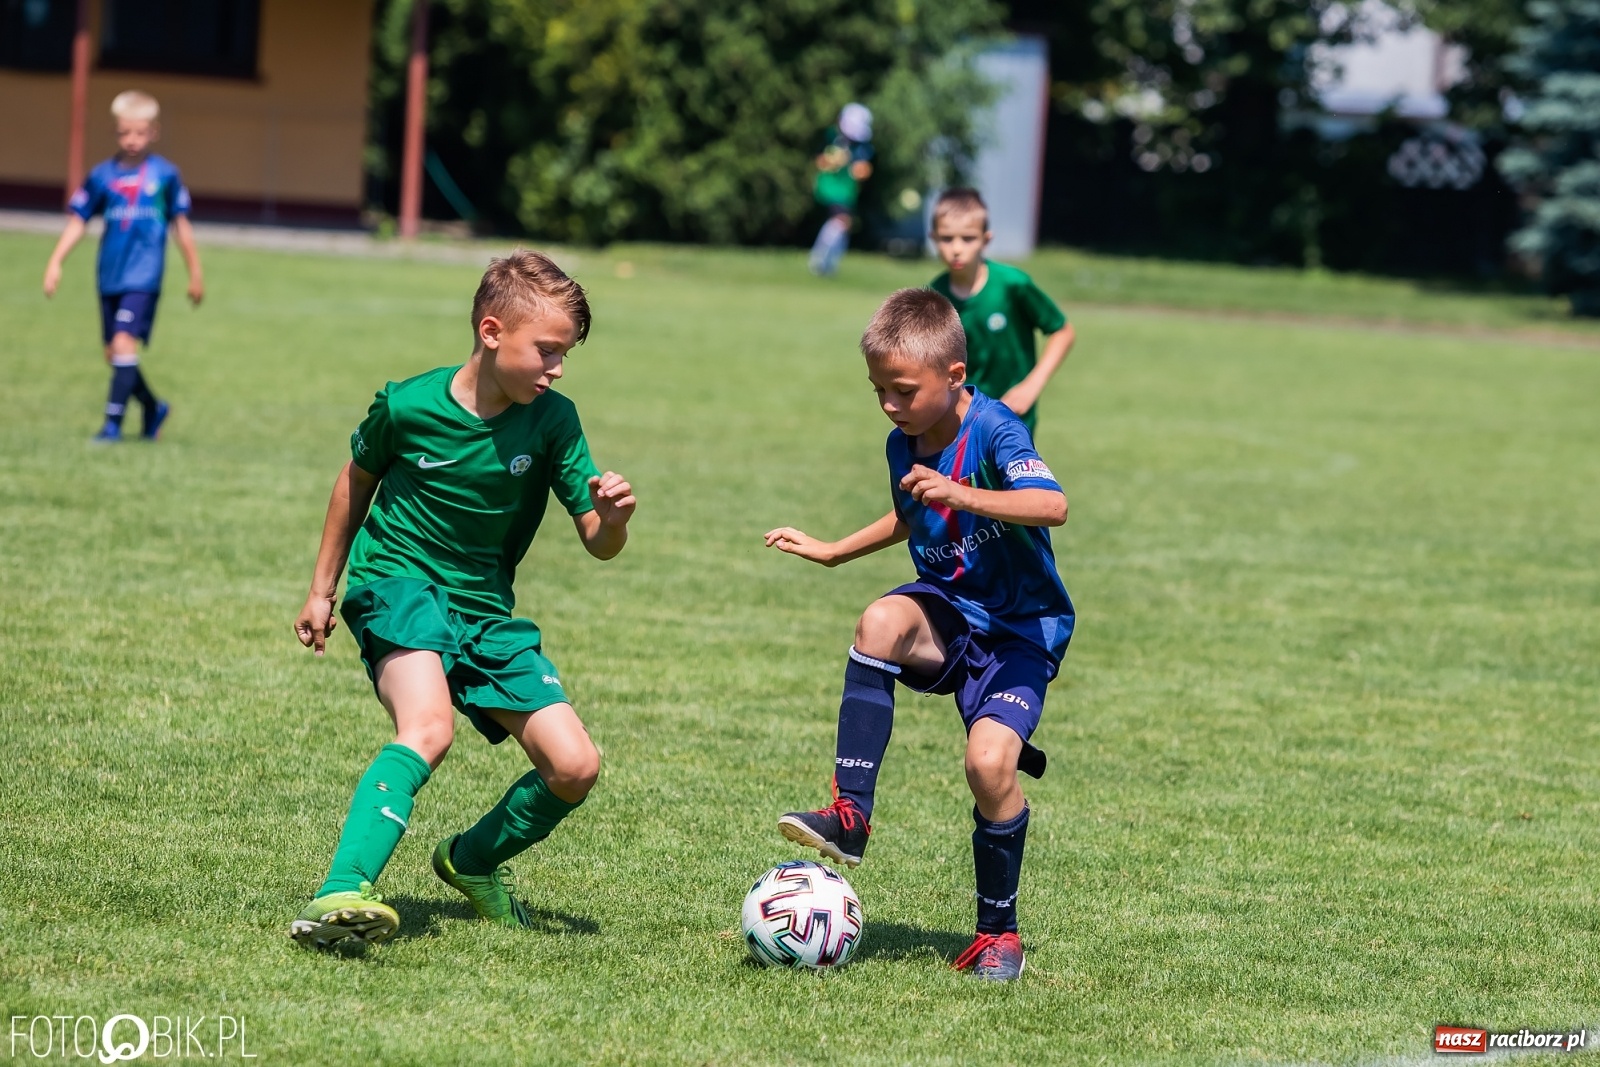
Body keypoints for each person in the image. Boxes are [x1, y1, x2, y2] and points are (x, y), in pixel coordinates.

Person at [289, 250, 637, 949]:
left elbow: (599, 542)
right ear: (490, 330)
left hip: (483, 609)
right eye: (546, 351)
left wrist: (615, 516)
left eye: (565, 355)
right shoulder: (407, 404)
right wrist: (323, 589)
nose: (557, 368)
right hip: (398, 583)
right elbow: (354, 481)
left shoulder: (554, 423)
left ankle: (471, 860)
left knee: (574, 766)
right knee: (428, 728)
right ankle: (342, 887)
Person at [764, 288, 1074, 981]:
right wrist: (832, 550)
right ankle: (851, 816)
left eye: (902, 390)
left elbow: (1051, 504)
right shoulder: (901, 440)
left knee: (990, 767)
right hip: (947, 610)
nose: (889, 406)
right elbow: (909, 515)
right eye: (878, 390)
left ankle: (998, 936)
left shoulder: (996, 430)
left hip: (1020, 631)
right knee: (879, 619)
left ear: (955, 377)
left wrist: (963, 492)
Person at [42, 90, 202, 443]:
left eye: (140, 132)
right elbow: (77, 220)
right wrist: (55, 262)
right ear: (116, 131)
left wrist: (195, 272)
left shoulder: (165, 175)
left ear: (154, 132)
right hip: (109, 276)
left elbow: (182, 226)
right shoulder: (101, 176)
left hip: (144, 276)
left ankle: (111, 426)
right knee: (114, 353)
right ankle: (152, 407)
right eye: (125, 132)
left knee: (123, 344)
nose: (132, 140)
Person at [928, 188, 1074, 435]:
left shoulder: (1012, 285)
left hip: (1012, 416)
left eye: (968, 238)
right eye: (946, 238)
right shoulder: (934, 297)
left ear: (986, 239)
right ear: (933, 238)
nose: (956, 248)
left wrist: (1031, 386)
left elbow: (1062, 331)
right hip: (959, 423)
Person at [807, 103, 874, 277]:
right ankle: (819, 260)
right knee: (840, 221)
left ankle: (830, 264)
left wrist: (858, 170)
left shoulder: (862, 146)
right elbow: (819, 161)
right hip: (830, 188)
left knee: (843, 225)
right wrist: (833, 161)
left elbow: (864, 170)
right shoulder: (831, 136)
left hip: (846, 191)